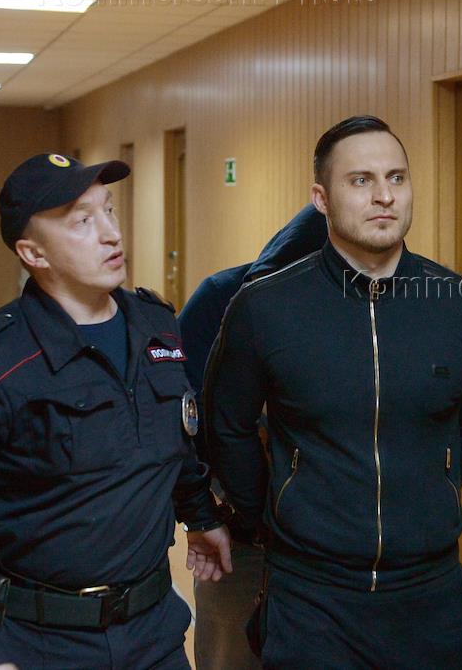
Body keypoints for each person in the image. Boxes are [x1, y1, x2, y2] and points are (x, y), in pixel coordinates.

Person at [205, 115, 462, 669]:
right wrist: (275, 508)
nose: (384, 196)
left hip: (432, 595)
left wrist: (429, 487)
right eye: (361, 180)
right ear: (321, 199)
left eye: (397, 178)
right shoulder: (264, 308)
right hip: (311, 599)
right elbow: (226, 425)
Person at [0, 153, 232, 670]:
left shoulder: (157, 327)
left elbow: (171, 437)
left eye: (108, 209)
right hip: (38, 642)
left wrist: (199, 515)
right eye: (83, 221)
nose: (111, 234)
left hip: (154, 633)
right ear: (33, 253)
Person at [179, 203, 328, 670]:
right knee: (231, 653)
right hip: (239, 537)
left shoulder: (374, 305)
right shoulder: (223, 298)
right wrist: (203, 512)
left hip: (335, 543)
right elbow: (183, 418)